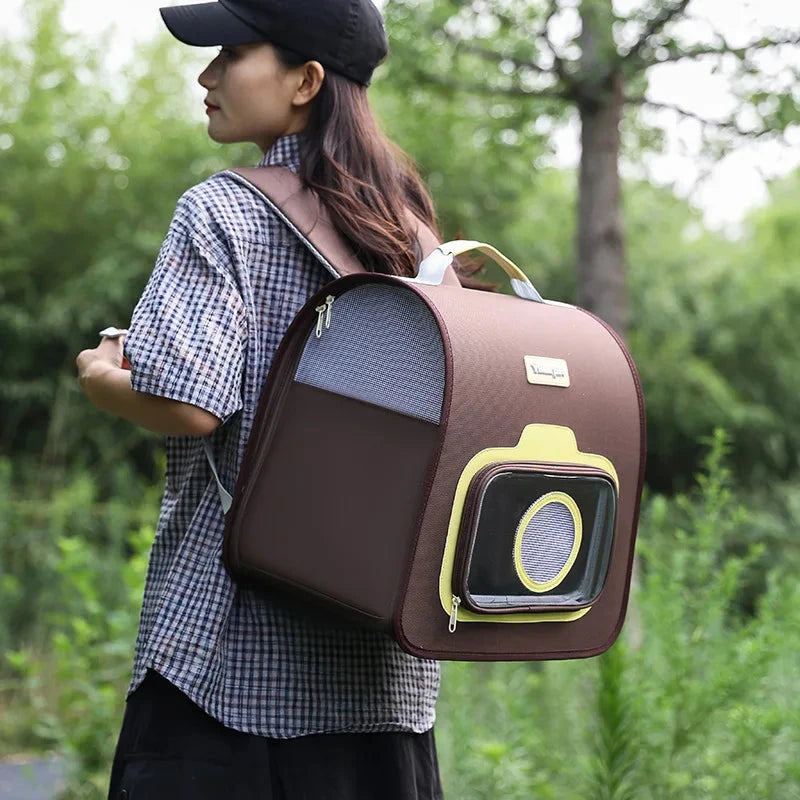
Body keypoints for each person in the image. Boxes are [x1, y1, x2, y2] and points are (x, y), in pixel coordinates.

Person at [75, 1, 447, 797]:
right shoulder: (414, 237)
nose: (205, 75)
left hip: (224, 682)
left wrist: (102, 375)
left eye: (230, 53)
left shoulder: (223, 211)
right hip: (383, 696)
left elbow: (188, 405)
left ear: (306, 80)